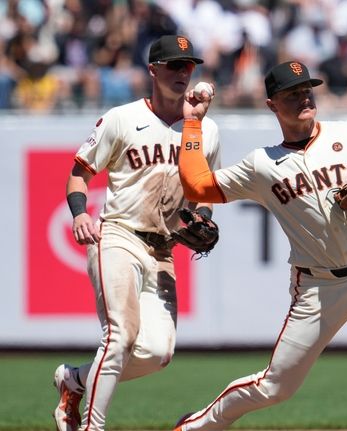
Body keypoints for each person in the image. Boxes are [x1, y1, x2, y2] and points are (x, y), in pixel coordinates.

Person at [174, 60, 347, 430]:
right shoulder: (262, 165)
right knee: (276, 386)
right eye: (292, 93)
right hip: (319, 286)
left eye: (307, 89)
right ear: (272, 104)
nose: (303, 97)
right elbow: (197, 186)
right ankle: (195, 426)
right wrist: (193, 123)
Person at [52, 35, 221, 431]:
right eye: (174, 65)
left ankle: (74, 380)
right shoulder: (122, 118)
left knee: (157, 352)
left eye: (188, 66)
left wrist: (205, 219)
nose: (183, 73)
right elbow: (80, 174)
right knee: (121, 335)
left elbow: (203, 195)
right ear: (153, 70)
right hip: (119, 237)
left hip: (164, 250)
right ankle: (91, 426)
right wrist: (79, 214)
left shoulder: (205, 130)